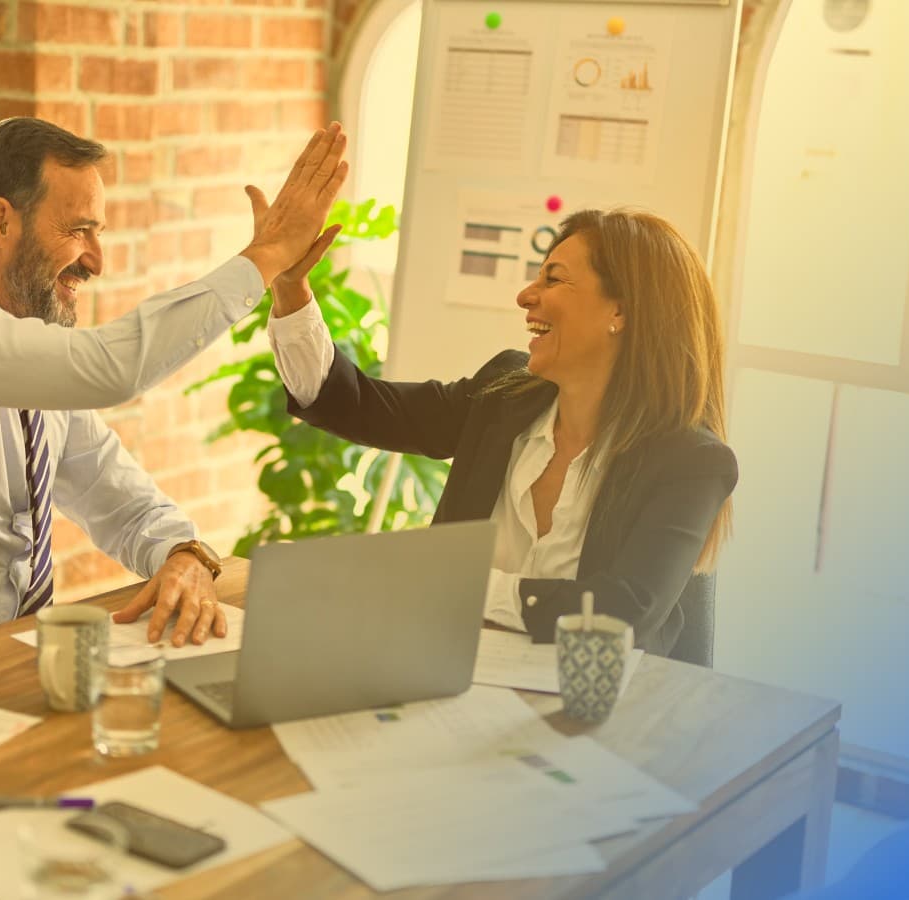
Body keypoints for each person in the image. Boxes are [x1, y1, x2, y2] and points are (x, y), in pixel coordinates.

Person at [0, 116, 347, 668]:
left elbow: (123, 502)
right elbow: (110, 368)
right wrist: (267, 256)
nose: (96, 260)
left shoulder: (36, 375)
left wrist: (184, 553)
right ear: (1, 223)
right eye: (79, 230)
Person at [265, 208, 737, 655]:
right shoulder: (504, 396)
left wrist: (463, 587)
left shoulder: (690, 462)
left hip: (598, 715)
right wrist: (290, 288)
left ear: (622, 313)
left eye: (553, 279)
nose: (526, 296)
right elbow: (355, 405)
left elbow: (621, 613)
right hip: (450, 678)